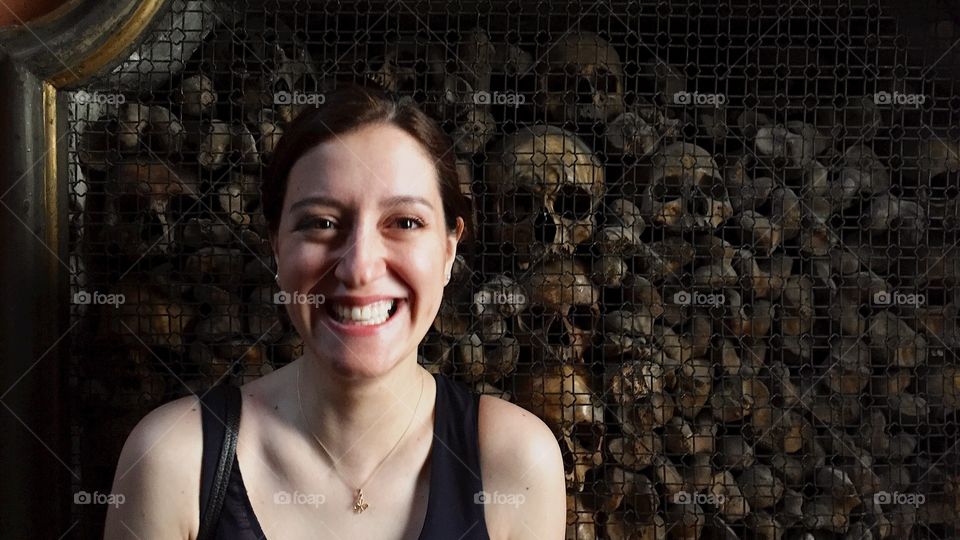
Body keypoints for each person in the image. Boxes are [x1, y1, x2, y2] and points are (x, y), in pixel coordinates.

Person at [103, 81, 566, 539]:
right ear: (277, 247)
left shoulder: (516, 463)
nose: (360, 268)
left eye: (405, 222)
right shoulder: (172, 460)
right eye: (321, 223)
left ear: (448, 250)